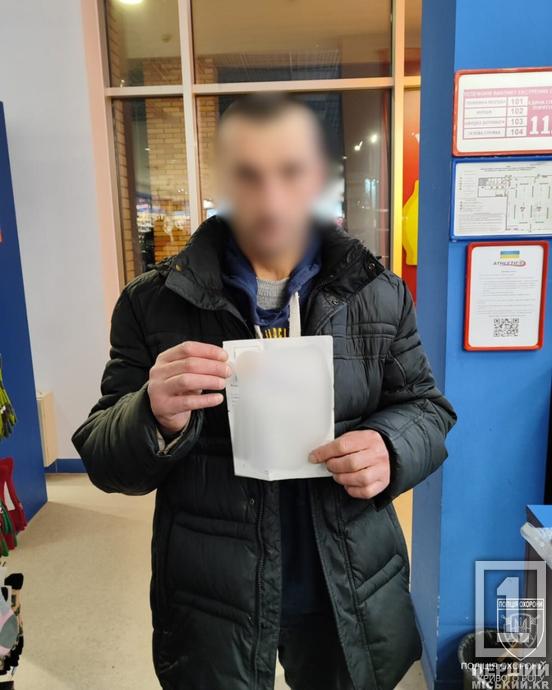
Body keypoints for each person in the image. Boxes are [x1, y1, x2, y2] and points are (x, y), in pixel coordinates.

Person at [73, 93, 456, 690]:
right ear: (221, 181)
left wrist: (389, 446)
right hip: (213, 592)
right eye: (249, 175)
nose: (272, 200)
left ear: (319, 177)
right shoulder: (152, 304)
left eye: (290, 172)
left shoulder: (377, 292)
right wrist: (151, 413)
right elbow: (102, 457)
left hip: (345, 584)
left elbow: (428, 410)